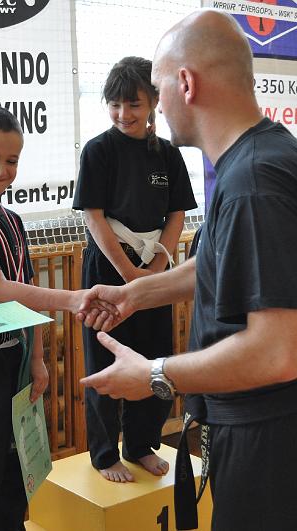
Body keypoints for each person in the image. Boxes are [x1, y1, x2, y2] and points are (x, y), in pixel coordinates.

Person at [79, 10, 297, 531]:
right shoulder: (265, 155)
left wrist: (155, 375)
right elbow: (220, 262)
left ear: (186, 84)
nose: (157, 103)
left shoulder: (256, 182)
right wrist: (136, 294)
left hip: (279, 439)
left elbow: (277, 352)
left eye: (158, 87)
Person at [0, 104, 99, 531]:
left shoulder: (12, 220)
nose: (2, 170)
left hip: (16, 355)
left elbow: (26, 290)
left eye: (12, 161)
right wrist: (72, 298)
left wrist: (37, 358)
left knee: (15, 465)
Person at [73, 56, 196, 482]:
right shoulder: (98, 151)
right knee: (105, 358)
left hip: (154, 269)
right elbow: (93, 217)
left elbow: (177, 214)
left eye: (134, 104)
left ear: (154, 103)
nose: (123, 113)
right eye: (115, 104)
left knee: (155, 358)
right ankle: (105, 453)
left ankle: (142, 444)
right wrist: (127, 272)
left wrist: (158, 267)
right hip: (108, 268)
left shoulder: (167, 154)